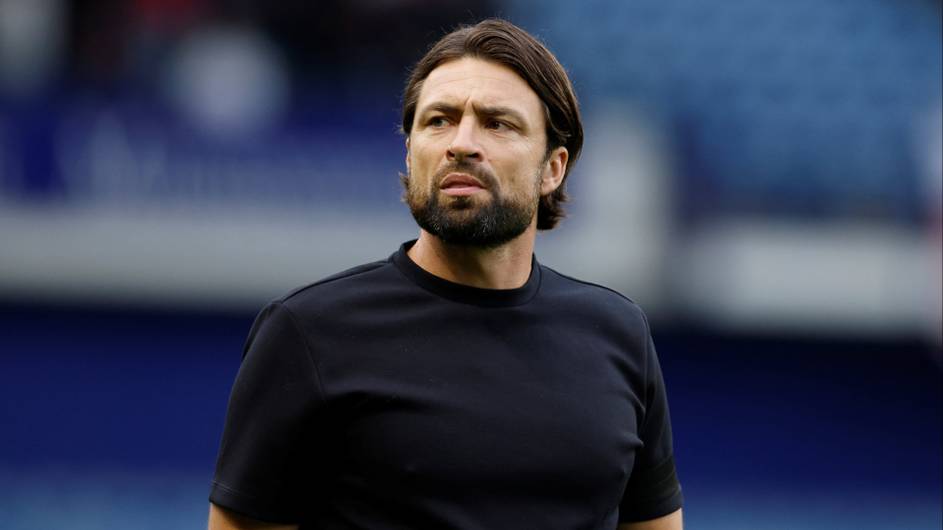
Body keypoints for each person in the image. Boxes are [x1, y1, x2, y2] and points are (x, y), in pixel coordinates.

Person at [208, 18, 683, 530]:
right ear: (410, 152)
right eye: (439, 120)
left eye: (497, 123)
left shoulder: (618, 334)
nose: (461, 143)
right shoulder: (308, 332)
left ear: (553, 168)